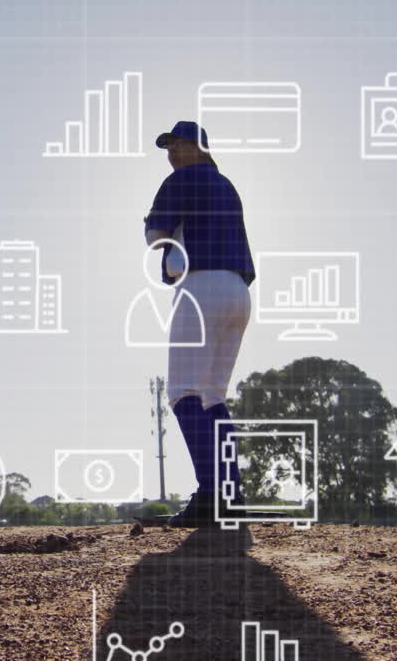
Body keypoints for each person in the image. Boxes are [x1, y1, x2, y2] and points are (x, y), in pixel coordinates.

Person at [144, 121, 256, 529]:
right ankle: (231, 494)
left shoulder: (181, 180)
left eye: (180, 145)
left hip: (200, 286)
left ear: (200, 148)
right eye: (169, 147)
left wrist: (157, 236)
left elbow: (158, 238)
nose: (173, 153)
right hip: (239, 291)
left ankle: (212, 494)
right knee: (212, 395)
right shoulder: (227, 185)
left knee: (183, 393)